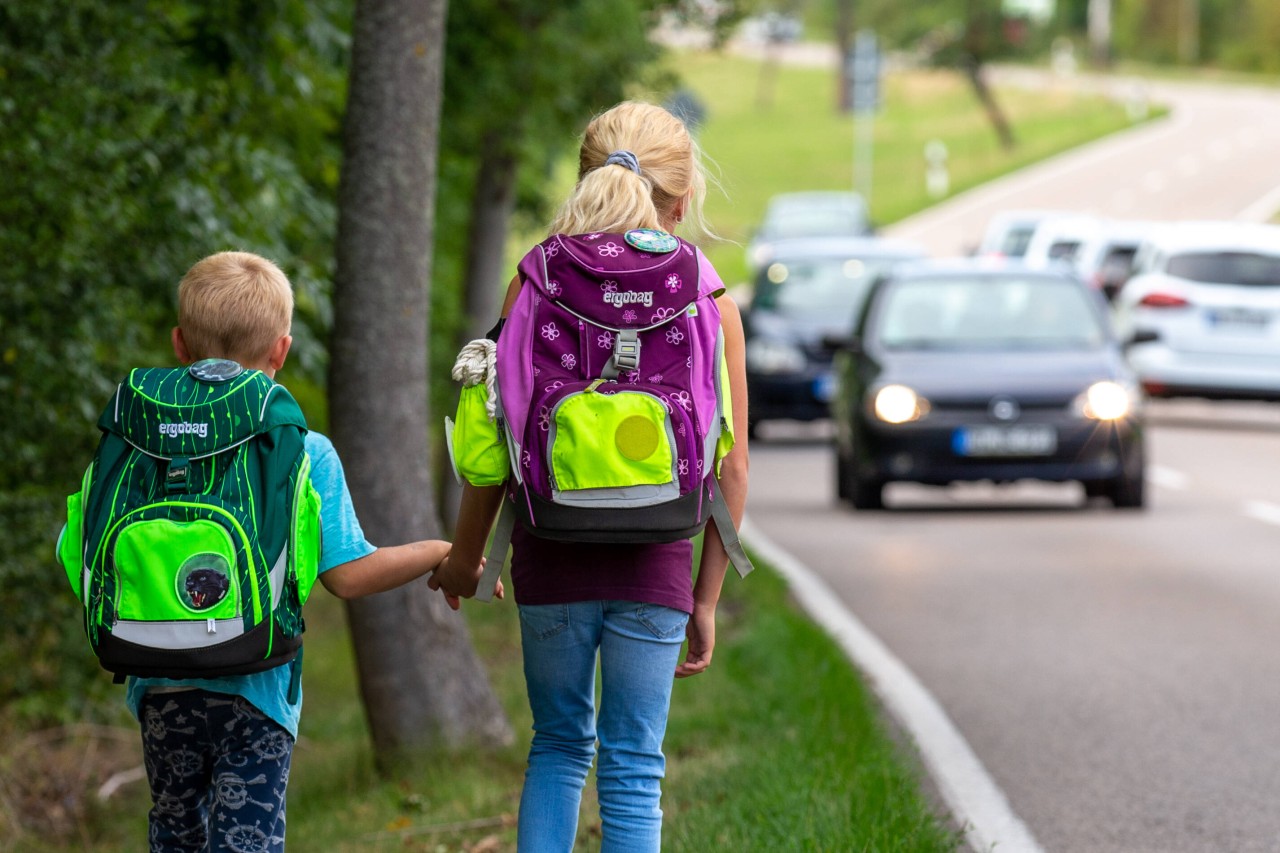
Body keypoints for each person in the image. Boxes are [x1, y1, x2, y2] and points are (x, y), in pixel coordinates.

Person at [432, 101, 750, 852]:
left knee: (560, 745)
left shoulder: (533, 280)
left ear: (588, 179)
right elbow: (730, 463)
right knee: (635, 764)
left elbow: (493, 448)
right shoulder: (706, 293)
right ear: (683, 198)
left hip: (553, 551)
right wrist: (705, 596)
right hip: (660, 559)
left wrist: (467, 557)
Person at [114, 251, 465, 852]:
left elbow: (82, 553)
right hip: (258, 684)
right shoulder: (303, 449)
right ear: (281, 350)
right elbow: (349, 577)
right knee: (246, 842)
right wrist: (438, 550)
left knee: (174, 830)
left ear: (179, 344)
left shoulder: (136, 441)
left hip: (160, 682)